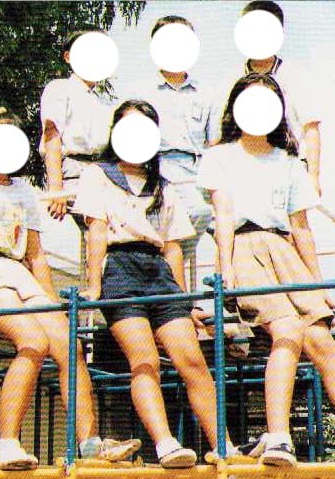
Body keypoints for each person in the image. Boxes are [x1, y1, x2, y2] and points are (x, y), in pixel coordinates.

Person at [0, 111, 141, 470]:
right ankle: (7, 444)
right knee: (32, 341)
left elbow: (35, 255)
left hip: (17, 271)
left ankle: (90, 444)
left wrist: (51, 303)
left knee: (69, 344)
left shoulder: (23, 191)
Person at [197, 74, 335, 466]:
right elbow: (224, 215)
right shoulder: (219, 157)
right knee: (286, 329)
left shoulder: (288, 162)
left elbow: (301, 227)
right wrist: (226, 267)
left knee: (321, 340)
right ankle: (279, 437)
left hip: (284, 249)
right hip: (244, 246)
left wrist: (317, 284)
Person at [72, 100, 238, 468]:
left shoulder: (163, 185)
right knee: (145, 359)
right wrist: (94, 285)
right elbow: (96, 231)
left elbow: (174, 246)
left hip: (157, 270)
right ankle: (165, 443)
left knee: (192, 360)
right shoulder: (98, 175)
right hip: (120, 269)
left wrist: (183, 300)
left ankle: (224, 445)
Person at [131, 16, 219, 262]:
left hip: (195, 171)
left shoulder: (207, 93)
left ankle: (171, 266)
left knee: (220, 218)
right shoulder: (140, 91)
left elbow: (214, 144)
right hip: (154, 169)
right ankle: (165, 266)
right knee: (183, 214)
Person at [239, 1, 322, 195]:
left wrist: (313, 177)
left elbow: (311, 129)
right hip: (245, 169)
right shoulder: (232, 78)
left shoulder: (296, 75)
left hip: (288, 168)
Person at [39, 25, 114, 221]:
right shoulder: (59, 89)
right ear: (68, 57)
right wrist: (56, 188)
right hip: (71, 172)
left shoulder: (104, 101)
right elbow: (52, 135)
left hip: (101, 172)